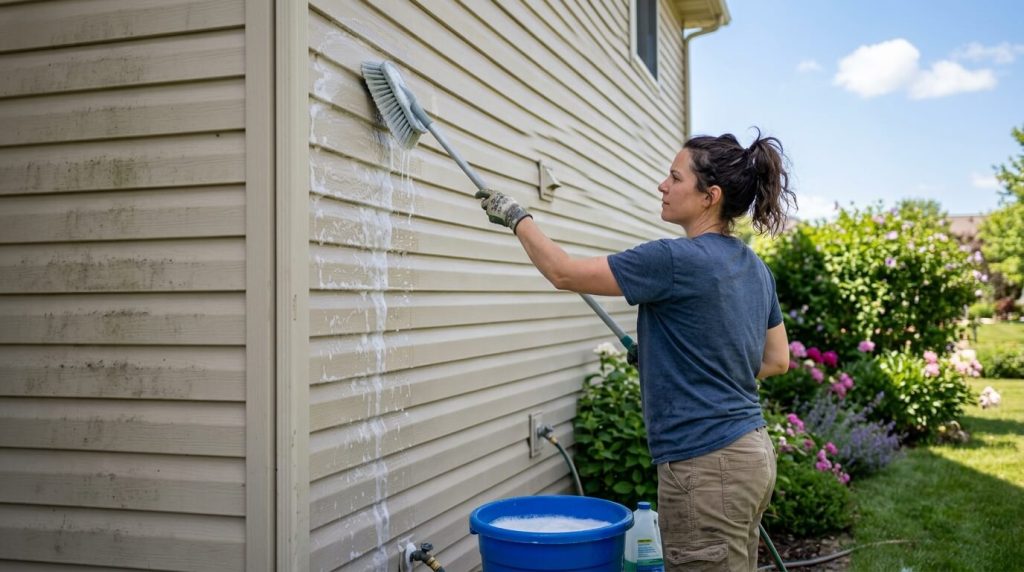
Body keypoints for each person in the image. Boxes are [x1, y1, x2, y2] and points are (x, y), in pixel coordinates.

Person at [477, 131, 794, 571]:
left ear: (710, 196)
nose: (662, 185)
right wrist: (681, 363)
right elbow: (778, 360)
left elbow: (564, 273)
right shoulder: (754, 268)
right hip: (751, 455)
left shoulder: (674, 260)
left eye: (674, 177)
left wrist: (517, 217)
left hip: (705, 465)